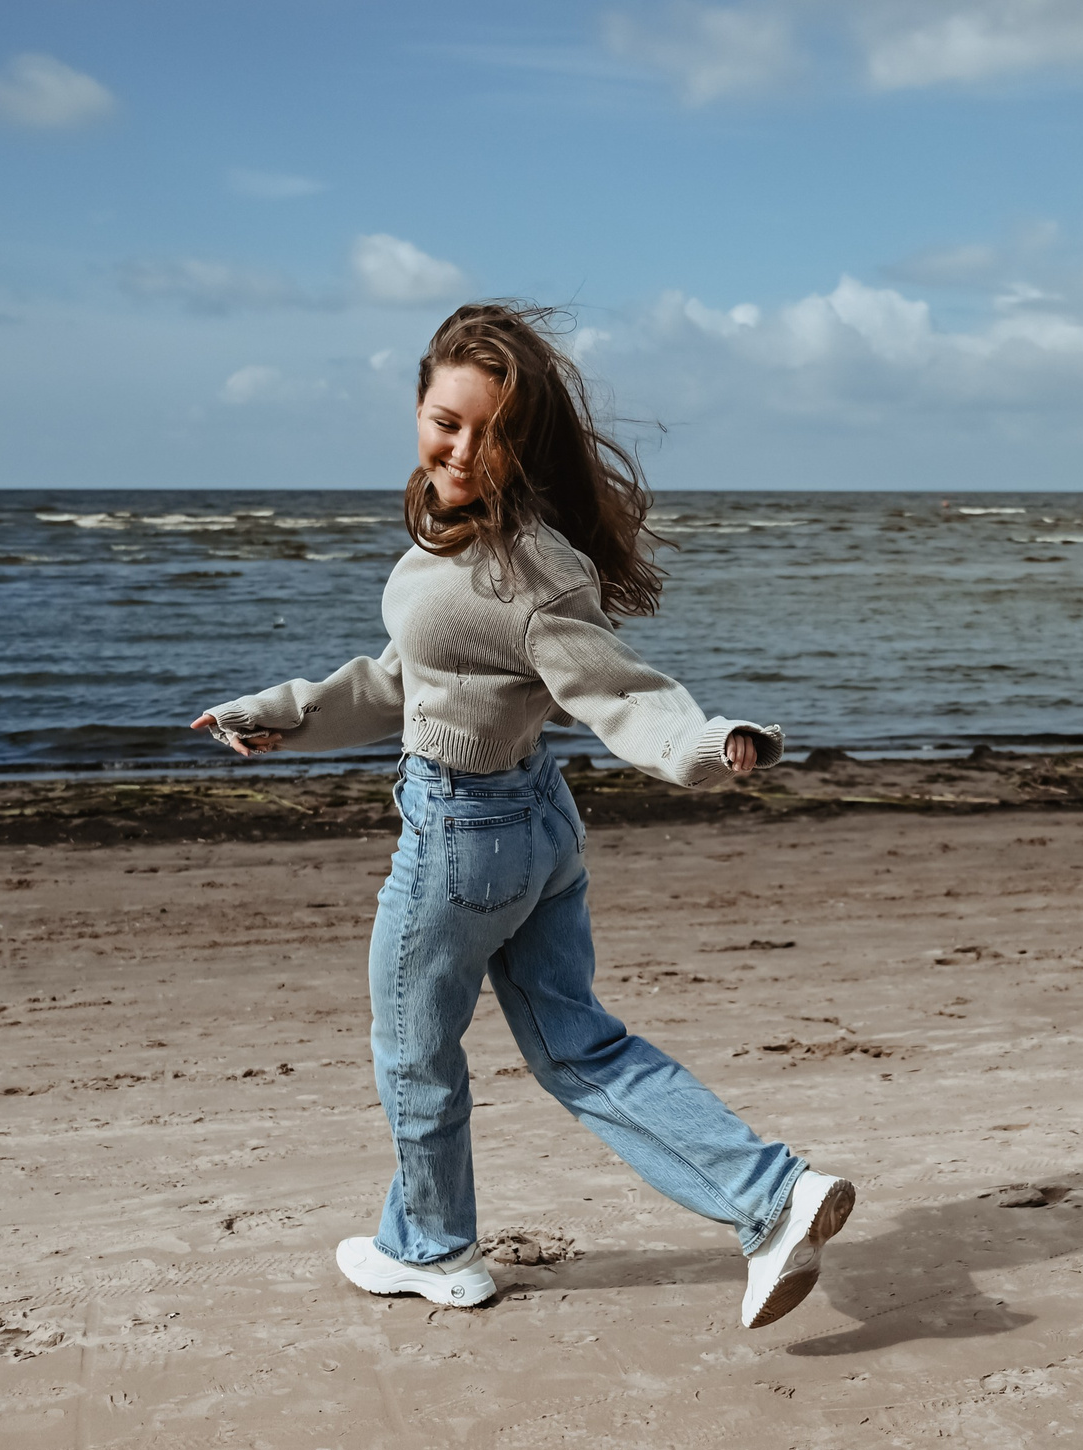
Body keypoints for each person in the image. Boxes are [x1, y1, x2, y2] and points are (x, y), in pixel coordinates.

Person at [193, 301, 852, 1331]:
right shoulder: (469, 544)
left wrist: (706, 740)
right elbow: (400, 678)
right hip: (532, 823)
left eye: (488, 431)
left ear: (522, 440)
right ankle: (775, 1197)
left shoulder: (526, 573)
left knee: (413, 1051)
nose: (459, 448)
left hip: (464, 840)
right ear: (418, 406)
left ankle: (434, 1249)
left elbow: (620, 690)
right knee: (576, 1043)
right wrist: (279, 715)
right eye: (444, 420)